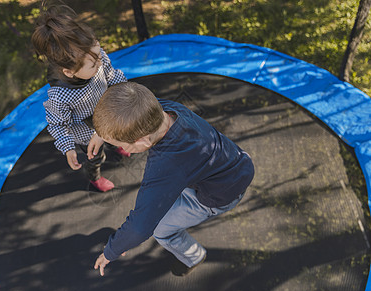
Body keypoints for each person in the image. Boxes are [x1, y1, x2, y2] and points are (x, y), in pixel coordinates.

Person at [92, 82, 255, 276]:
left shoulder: (167, 165)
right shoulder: (164, 109)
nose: (121, 149)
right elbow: (126, 110)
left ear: (142, 141)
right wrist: (103, 133)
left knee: (161, 230)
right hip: (232, 160)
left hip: (219, 193)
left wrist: (112, 250)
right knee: (164, 200)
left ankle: (193, 256)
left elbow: (140, 228)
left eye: (119, 145)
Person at [31, 3, 129, 192]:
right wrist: (68, 148)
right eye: (93, 64)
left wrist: (125, 90)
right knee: (96, 157)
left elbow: (111, 75)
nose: (100, 62)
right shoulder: (60, 96)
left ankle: (115, 144)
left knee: (115, 135)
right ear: (69, 72)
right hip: (88, 136)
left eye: (99, 53)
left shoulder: (96, 58)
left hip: (108, 115)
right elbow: (58, 125)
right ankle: (95, 177)